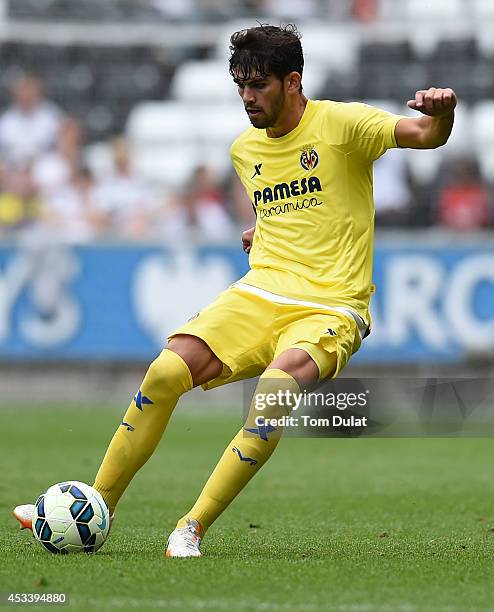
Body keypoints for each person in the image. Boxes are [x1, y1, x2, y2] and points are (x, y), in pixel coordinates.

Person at [13, 24, 456, 557]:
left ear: (293, 82)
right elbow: (289, 210)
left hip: (330, 305)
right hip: (261, 293)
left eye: (259, 85)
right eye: (240, 86)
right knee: (165, 371)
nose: (247, 98)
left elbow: (427, 136)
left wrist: (443, 111)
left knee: (271, 395)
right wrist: (263, 232)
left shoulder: (342, 124)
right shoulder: (245, 151)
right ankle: (95, 504)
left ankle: (190, 528)